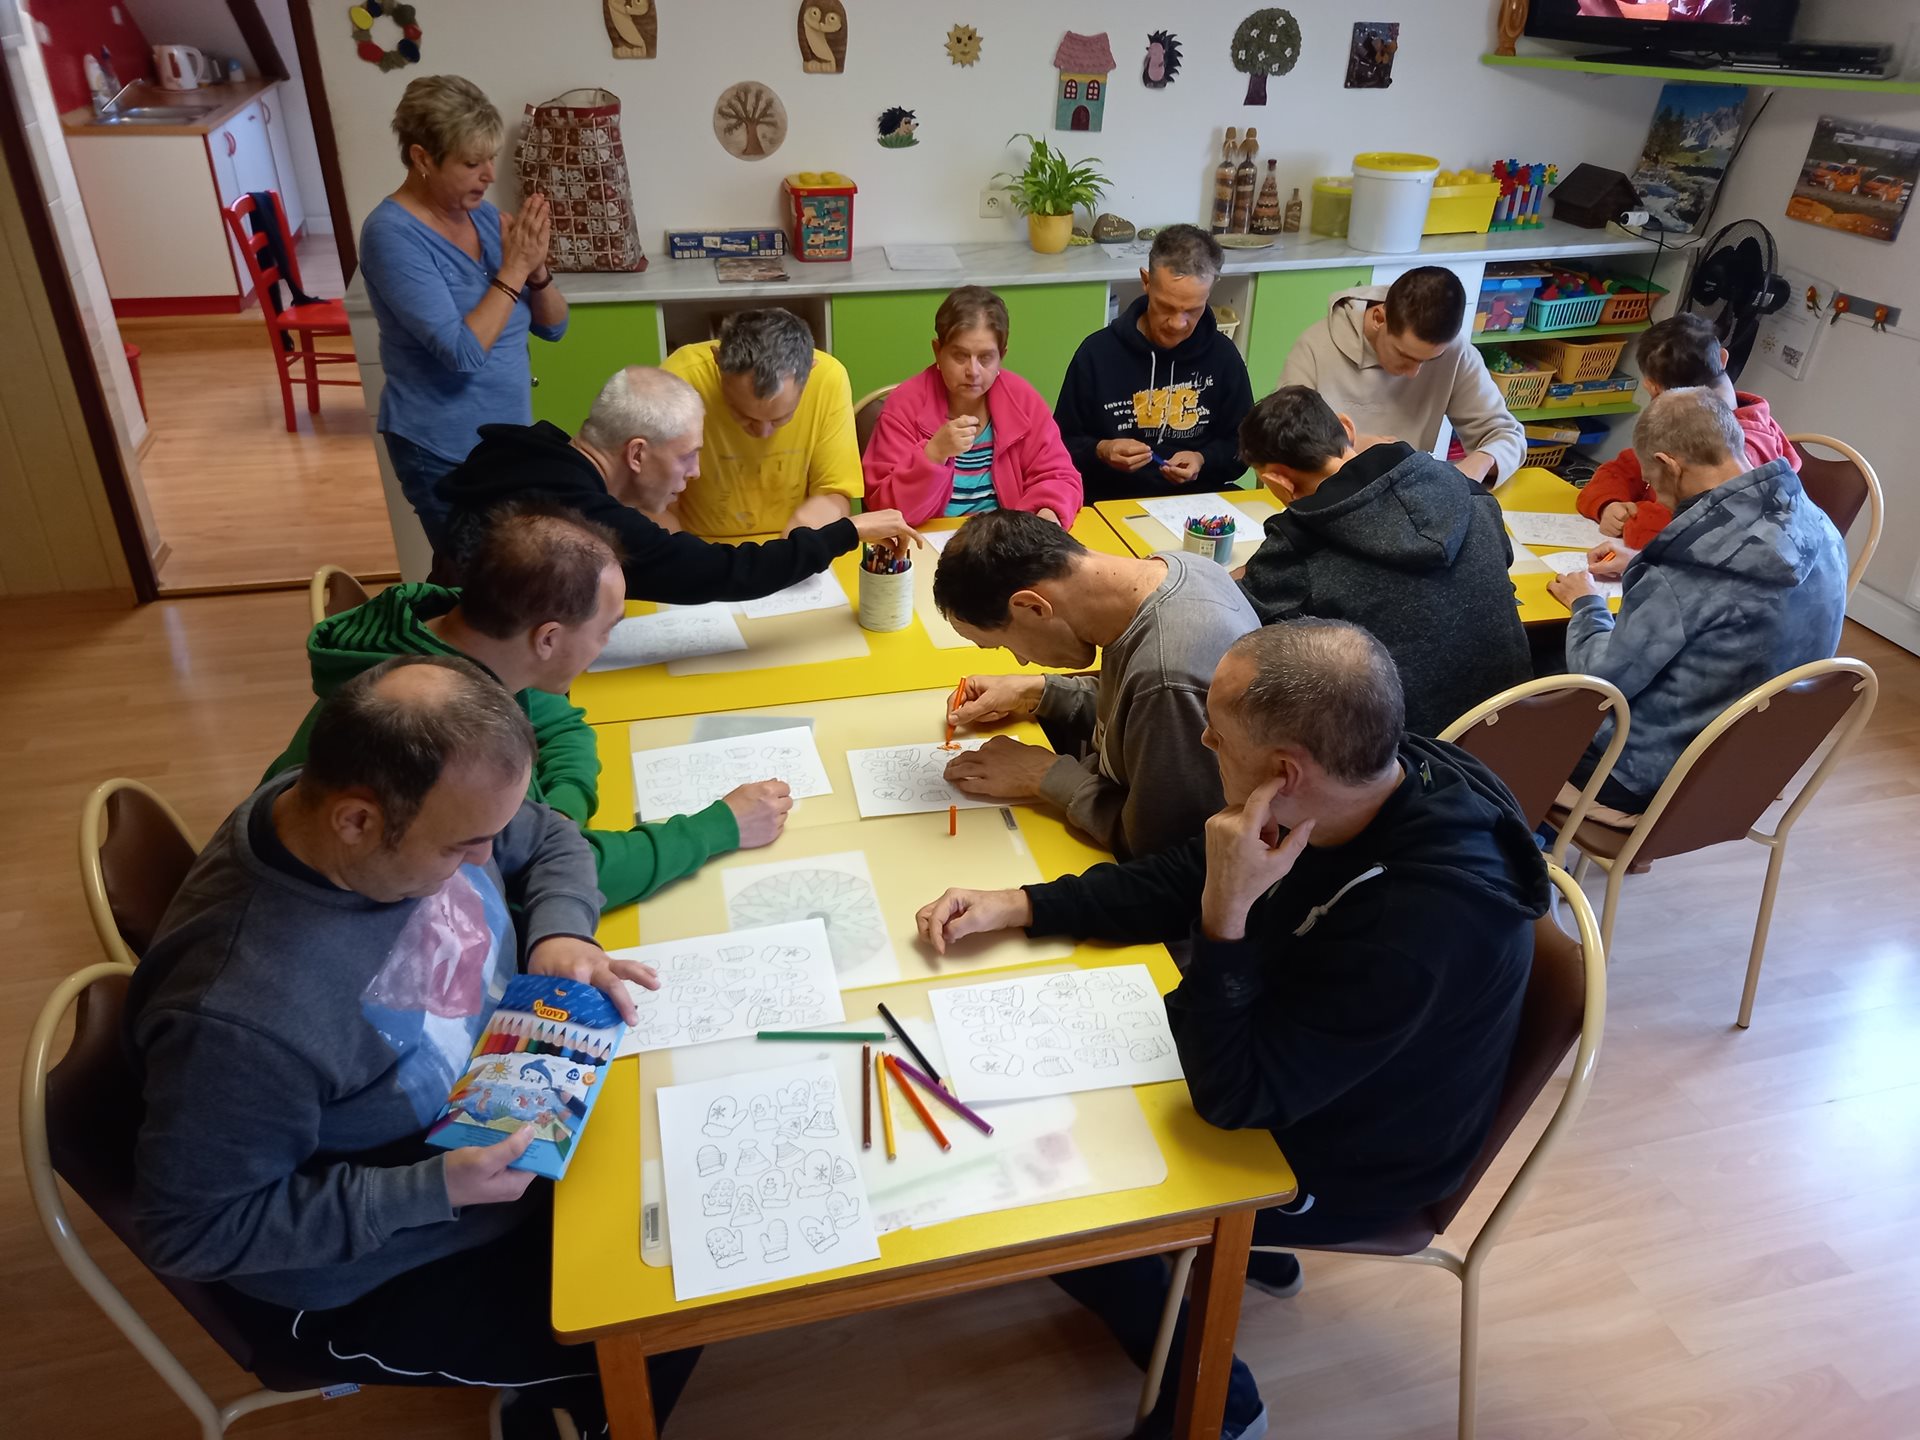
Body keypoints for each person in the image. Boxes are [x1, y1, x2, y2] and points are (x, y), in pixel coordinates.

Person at [915, 620, 1547, 1440]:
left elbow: (1235, 1096)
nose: (1205, 740)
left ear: (1287, 771)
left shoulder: (1418, 927)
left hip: (1356, 1157)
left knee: (1059, 1200)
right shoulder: (1364, 781)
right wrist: (1027, 904)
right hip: (1315, 1063)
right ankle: (1238, 1259)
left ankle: (1218, 1407)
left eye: (1218, 731)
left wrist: (1226, 916)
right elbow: (1192, 869)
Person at [126, 657, 696, 1438]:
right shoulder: (239, 1022)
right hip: (377, 1266)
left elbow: (548, 835)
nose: (485, 859)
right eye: (461, 848)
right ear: (356, 821)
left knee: (678, 1196)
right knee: (663, 1319)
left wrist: (561, 929)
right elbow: (190, 1231)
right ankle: (556, 1413)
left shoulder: (358, 803)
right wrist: (430, 1190)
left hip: (498, 1108)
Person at [265, 504, 791, 908]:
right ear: (549, 639)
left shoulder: (469, 635)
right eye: (605, 630)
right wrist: (719, 826)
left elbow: (563, 726)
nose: (606, 644)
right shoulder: (440, 727)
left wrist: (555, 820)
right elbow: (547, 877)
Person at [1548, 388, 1847, 820]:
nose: (1655, 492)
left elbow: (1599, 680)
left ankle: (1522, 837)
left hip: (1648, 779)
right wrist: (1641, 563)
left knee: (1514, 691)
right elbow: (1729, 593)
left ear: (1670, 465)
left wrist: (1587, 603)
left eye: (1652, 481)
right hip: (1751, 771)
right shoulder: (1820, 525)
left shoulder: (1684, 568)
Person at [931, 510, 1258, 861]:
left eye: (1006, 645)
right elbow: (1140, 717)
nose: (1021, 661)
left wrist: (1041, 774)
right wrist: (1037, 692)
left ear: (1032, 606)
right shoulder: (1181, 568)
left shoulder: (1167, 675)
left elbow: (1158, 846)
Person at [437, 365, 921, 601]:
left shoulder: (538, 457)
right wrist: (846, 531)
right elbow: (722, 572)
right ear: (637, 454)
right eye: (687, 456)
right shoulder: (580, 519)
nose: (695, 472)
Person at [1235, 386, 1532, 736]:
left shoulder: (1299, 544)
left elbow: (1236, 614)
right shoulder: (1468, 493)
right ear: (1348, 429)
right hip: (1511, 731)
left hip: (1405, 751)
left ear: (1278, 480)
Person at [359, 74, 568, 553]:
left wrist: (537, 270)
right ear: (422, 158)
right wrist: (514, 268)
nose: (489, 175)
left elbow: (555, 327)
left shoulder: (483, 216)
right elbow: (463, 353)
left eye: (490, 158)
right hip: (442, 450)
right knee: (476, 584)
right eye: (472, 163)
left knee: (519, 576)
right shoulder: (391, 235)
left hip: (508, 441)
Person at [1576, 312, 1802, 573]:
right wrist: (1608, 504)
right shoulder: (1683, 429)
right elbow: (1623, 468)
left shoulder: (1741, 455)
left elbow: (1685, 537)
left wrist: (1633, 519)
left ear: (1653, 389)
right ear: (1723, 358)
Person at [1053, 225, 1256, 499]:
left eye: (1192, 310)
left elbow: (1244, 448)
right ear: (1146, 281)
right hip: (1109, 500)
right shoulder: (1097, 354)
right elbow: (1059, 445)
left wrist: (1203, 459)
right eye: (1166, 307)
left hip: (1197, 499)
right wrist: (1101, 450)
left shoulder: (1223, 357)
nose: (1177, 324)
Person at [1281, 265, 1525, 486]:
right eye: (1403, 355)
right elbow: (1280, 439)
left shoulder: (1454, 352)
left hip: (1408, 497)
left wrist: (1474, 468)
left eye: (1429, 360)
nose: (1413, 373)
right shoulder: (1316, 347)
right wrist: (1348, 444)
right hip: (1327, 495)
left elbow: (1507, 436)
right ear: (1379, 318)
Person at [861, 286, 1084, 526]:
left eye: (986, 358)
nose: (973, 371)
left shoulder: (1022, 400)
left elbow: (1060, 476)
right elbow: (884, 509)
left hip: (1004, 539)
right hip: (926, 540)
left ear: (1002, 356)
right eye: (960, 356)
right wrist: (932, 455)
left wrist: (1048, 514)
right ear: (938, 351)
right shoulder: (904, 406)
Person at [659, 308, 863, 538]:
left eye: (779, 419)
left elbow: (835, 494)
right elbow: (656, 504)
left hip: (795, 543)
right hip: (701, 545)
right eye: (744, 416)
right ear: (718, 361)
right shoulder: (679, 379)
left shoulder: (828, 378)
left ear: (810, 371)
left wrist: (800, 540)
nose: (763, 432)